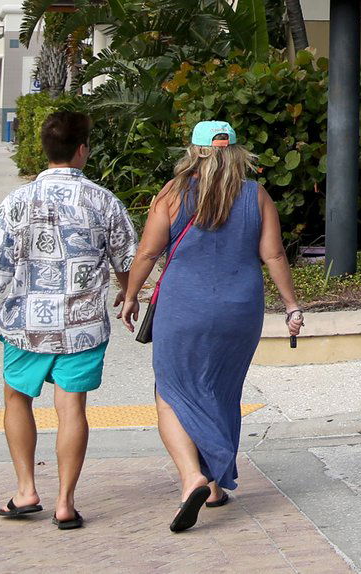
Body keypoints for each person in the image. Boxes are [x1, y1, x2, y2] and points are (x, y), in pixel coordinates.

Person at [121, 120, 305, 534]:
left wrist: (132, 294)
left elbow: (149, 252)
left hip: (185, 309)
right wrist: (291, 305)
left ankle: (192, 479)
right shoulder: (256, 196)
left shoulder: (171, 194)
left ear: (195, 151)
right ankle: (217, 485)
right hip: (241, 311)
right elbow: (274, 255)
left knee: (170, 392)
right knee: (220, 389)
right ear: (236, 153)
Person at [0, 110, 137, 531]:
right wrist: (128, 295)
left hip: (26, 324)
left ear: (46, 149)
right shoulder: (103, 200)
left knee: (16, 399)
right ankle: (65, 502)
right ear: (82, 150)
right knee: (72, 408)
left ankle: (26, 490)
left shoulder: (16, 202)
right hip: (82, 324)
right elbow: (128, 260)